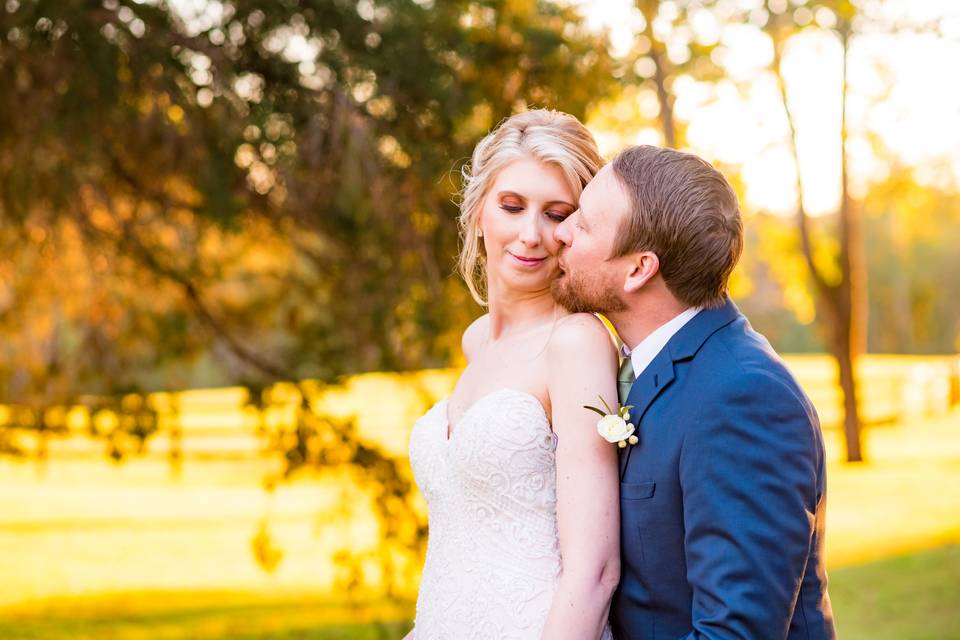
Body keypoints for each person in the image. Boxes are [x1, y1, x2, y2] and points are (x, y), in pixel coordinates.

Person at [552, 145, 836, 639]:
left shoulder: (743, 396)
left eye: (584, 225)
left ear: (639, 269)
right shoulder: (657, 366)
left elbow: (734, 631)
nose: (561, 231)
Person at [405, 109, 620, 639]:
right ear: (479, 210)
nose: (531, 234)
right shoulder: (477, 340)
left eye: (556, 213)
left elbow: (594, 572)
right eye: (512, 206)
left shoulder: (575, 342)